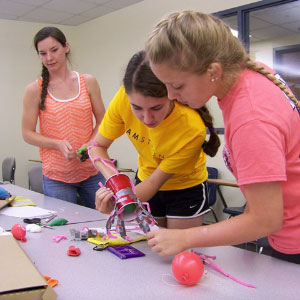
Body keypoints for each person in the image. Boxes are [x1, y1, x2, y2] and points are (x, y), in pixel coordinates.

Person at [145, 10, 300, 264]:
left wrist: (185, 238)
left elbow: (266, 219)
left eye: (178, 85)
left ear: (213, 71)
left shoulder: (251, 118)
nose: (171, 95)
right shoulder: (250, 77)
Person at [89, 50, 220, 229]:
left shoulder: (191, 127)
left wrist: (121, 200)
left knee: (177, 249)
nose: (147, 118)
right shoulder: (123, 99)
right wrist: (116, 186)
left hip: (185, 188)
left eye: (156, 107)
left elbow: (154, 182)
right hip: (144, 179)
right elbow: (97, 147)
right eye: (137, 108)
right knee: (149, 247)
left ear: (172, 94)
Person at [22, 27, 106, 209]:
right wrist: (57, 144)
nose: (49, 58)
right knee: (63, 230)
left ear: (66, 47)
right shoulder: (34, 90)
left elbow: (103, 121)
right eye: (43, 53)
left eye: (54, 50)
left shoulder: (88, 82)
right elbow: (27, 133)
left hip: (92, 171)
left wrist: (91, 144)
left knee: (105, 224)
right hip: (56, 177)